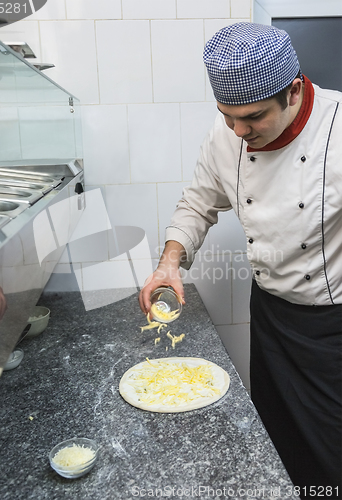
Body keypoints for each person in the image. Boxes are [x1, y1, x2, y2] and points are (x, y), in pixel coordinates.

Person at [139, 22, 342, 499]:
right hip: (270, 311)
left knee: (331, 445)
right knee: (275, 431)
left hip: (331, 325)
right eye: (226, 116)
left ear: (293, 91)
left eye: (251, 118)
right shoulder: (228, 131)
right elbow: (198, 202)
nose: (238, 131)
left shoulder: (338, 129)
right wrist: (171, 261)